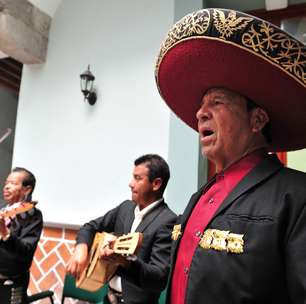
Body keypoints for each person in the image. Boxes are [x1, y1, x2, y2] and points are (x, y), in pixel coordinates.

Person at [155, 8, 306, 304]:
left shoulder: (296, 197)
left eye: (217, 101)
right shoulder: (200, 196)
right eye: (201, 104)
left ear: (257, 120)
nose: (200, 112)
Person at [67, 154, 177, 304]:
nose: (130, 184)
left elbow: (158, 279)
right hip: (108, 298)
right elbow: (90, 227)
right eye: (133, 177)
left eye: (138, 178)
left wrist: (125, 262)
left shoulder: (168, 221)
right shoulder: (125, 208)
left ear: (156, 184)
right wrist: (81, 248)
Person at [0, 167, 43, 304]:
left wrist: (5, 233)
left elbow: (26, 250)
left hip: (10, 283)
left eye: (13, 183)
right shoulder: (2, 210)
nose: (6, 187)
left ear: (27, 189)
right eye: (7, 182)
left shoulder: (32, 216)